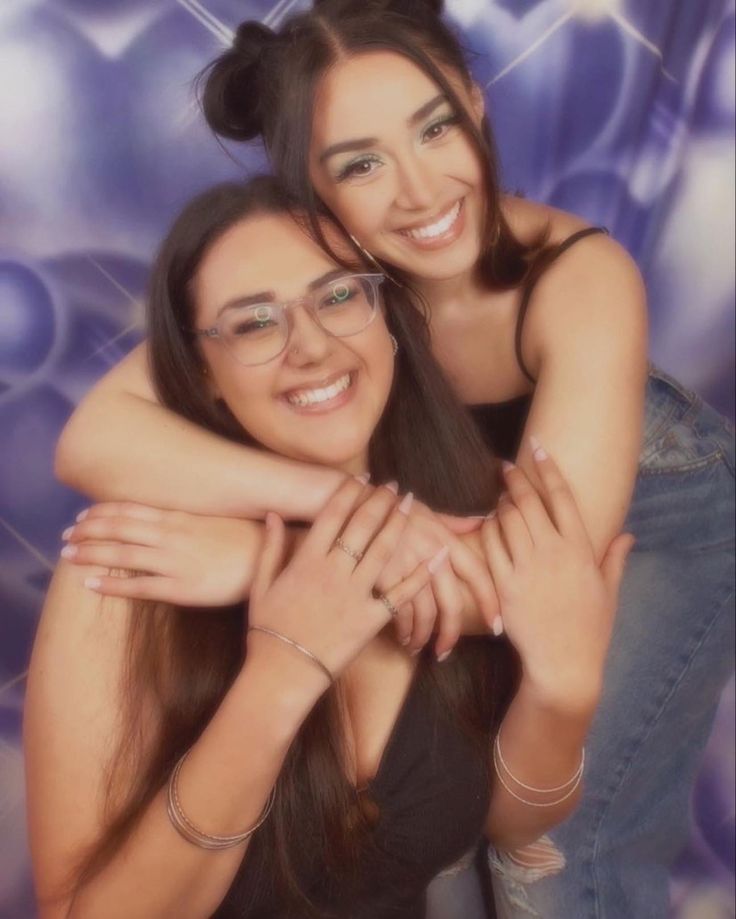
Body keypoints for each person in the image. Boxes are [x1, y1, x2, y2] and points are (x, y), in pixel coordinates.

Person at [54, 1, 735, 916]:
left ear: (476, 106)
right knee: (434, 832)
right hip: (430, 517)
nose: (419, 193)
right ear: (311, 191)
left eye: (436, 127)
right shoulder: (318, 272)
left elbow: (530, 583)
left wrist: (270, 559)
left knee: (556, 848)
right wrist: (332, 522)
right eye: (362, 163)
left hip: (637, 516)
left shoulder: (576, 279)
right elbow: (94, 440)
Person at [24, 178, 630, 919]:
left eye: (339, 297)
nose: (310, 345)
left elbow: (510, 822)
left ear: (389, 322)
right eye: (252, 324)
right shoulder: (133, 559)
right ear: (202, 374)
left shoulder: (469, 522)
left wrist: (564, 692)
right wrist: (281, 671)